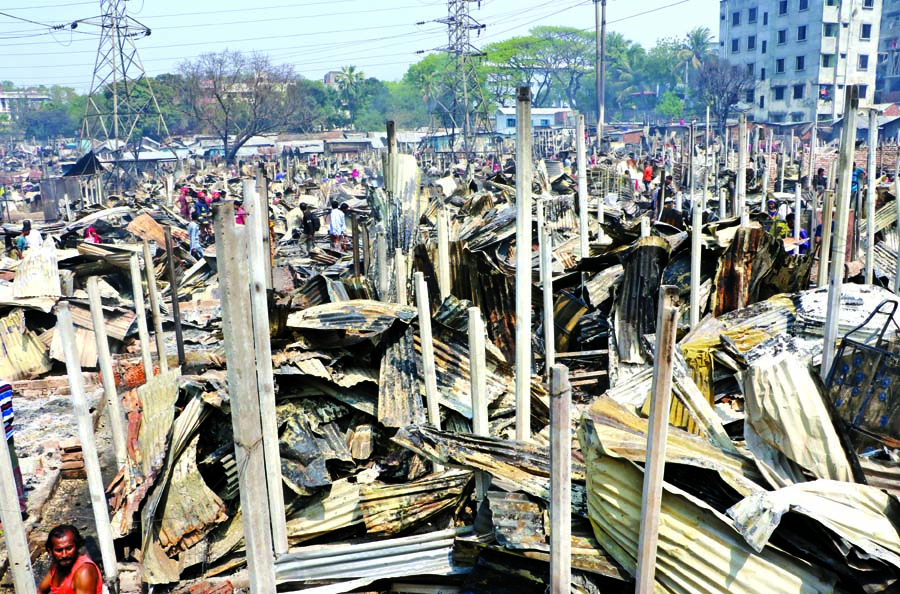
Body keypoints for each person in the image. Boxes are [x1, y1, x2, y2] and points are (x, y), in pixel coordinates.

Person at [38, 525, 102, 594]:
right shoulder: (57, 563)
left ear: (77, 546)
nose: (64, 555)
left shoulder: (84, 571)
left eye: (69, 548)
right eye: (59, 550)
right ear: (50, 551)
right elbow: (41, 590)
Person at [1, 382, 25, 516]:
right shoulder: (5, 386)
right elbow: (9, 416)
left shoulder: (3, 387)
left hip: (4, 435)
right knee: (12, 468)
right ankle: (19, 506)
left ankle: (15, 508)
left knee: (10, 469)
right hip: (7, 434)